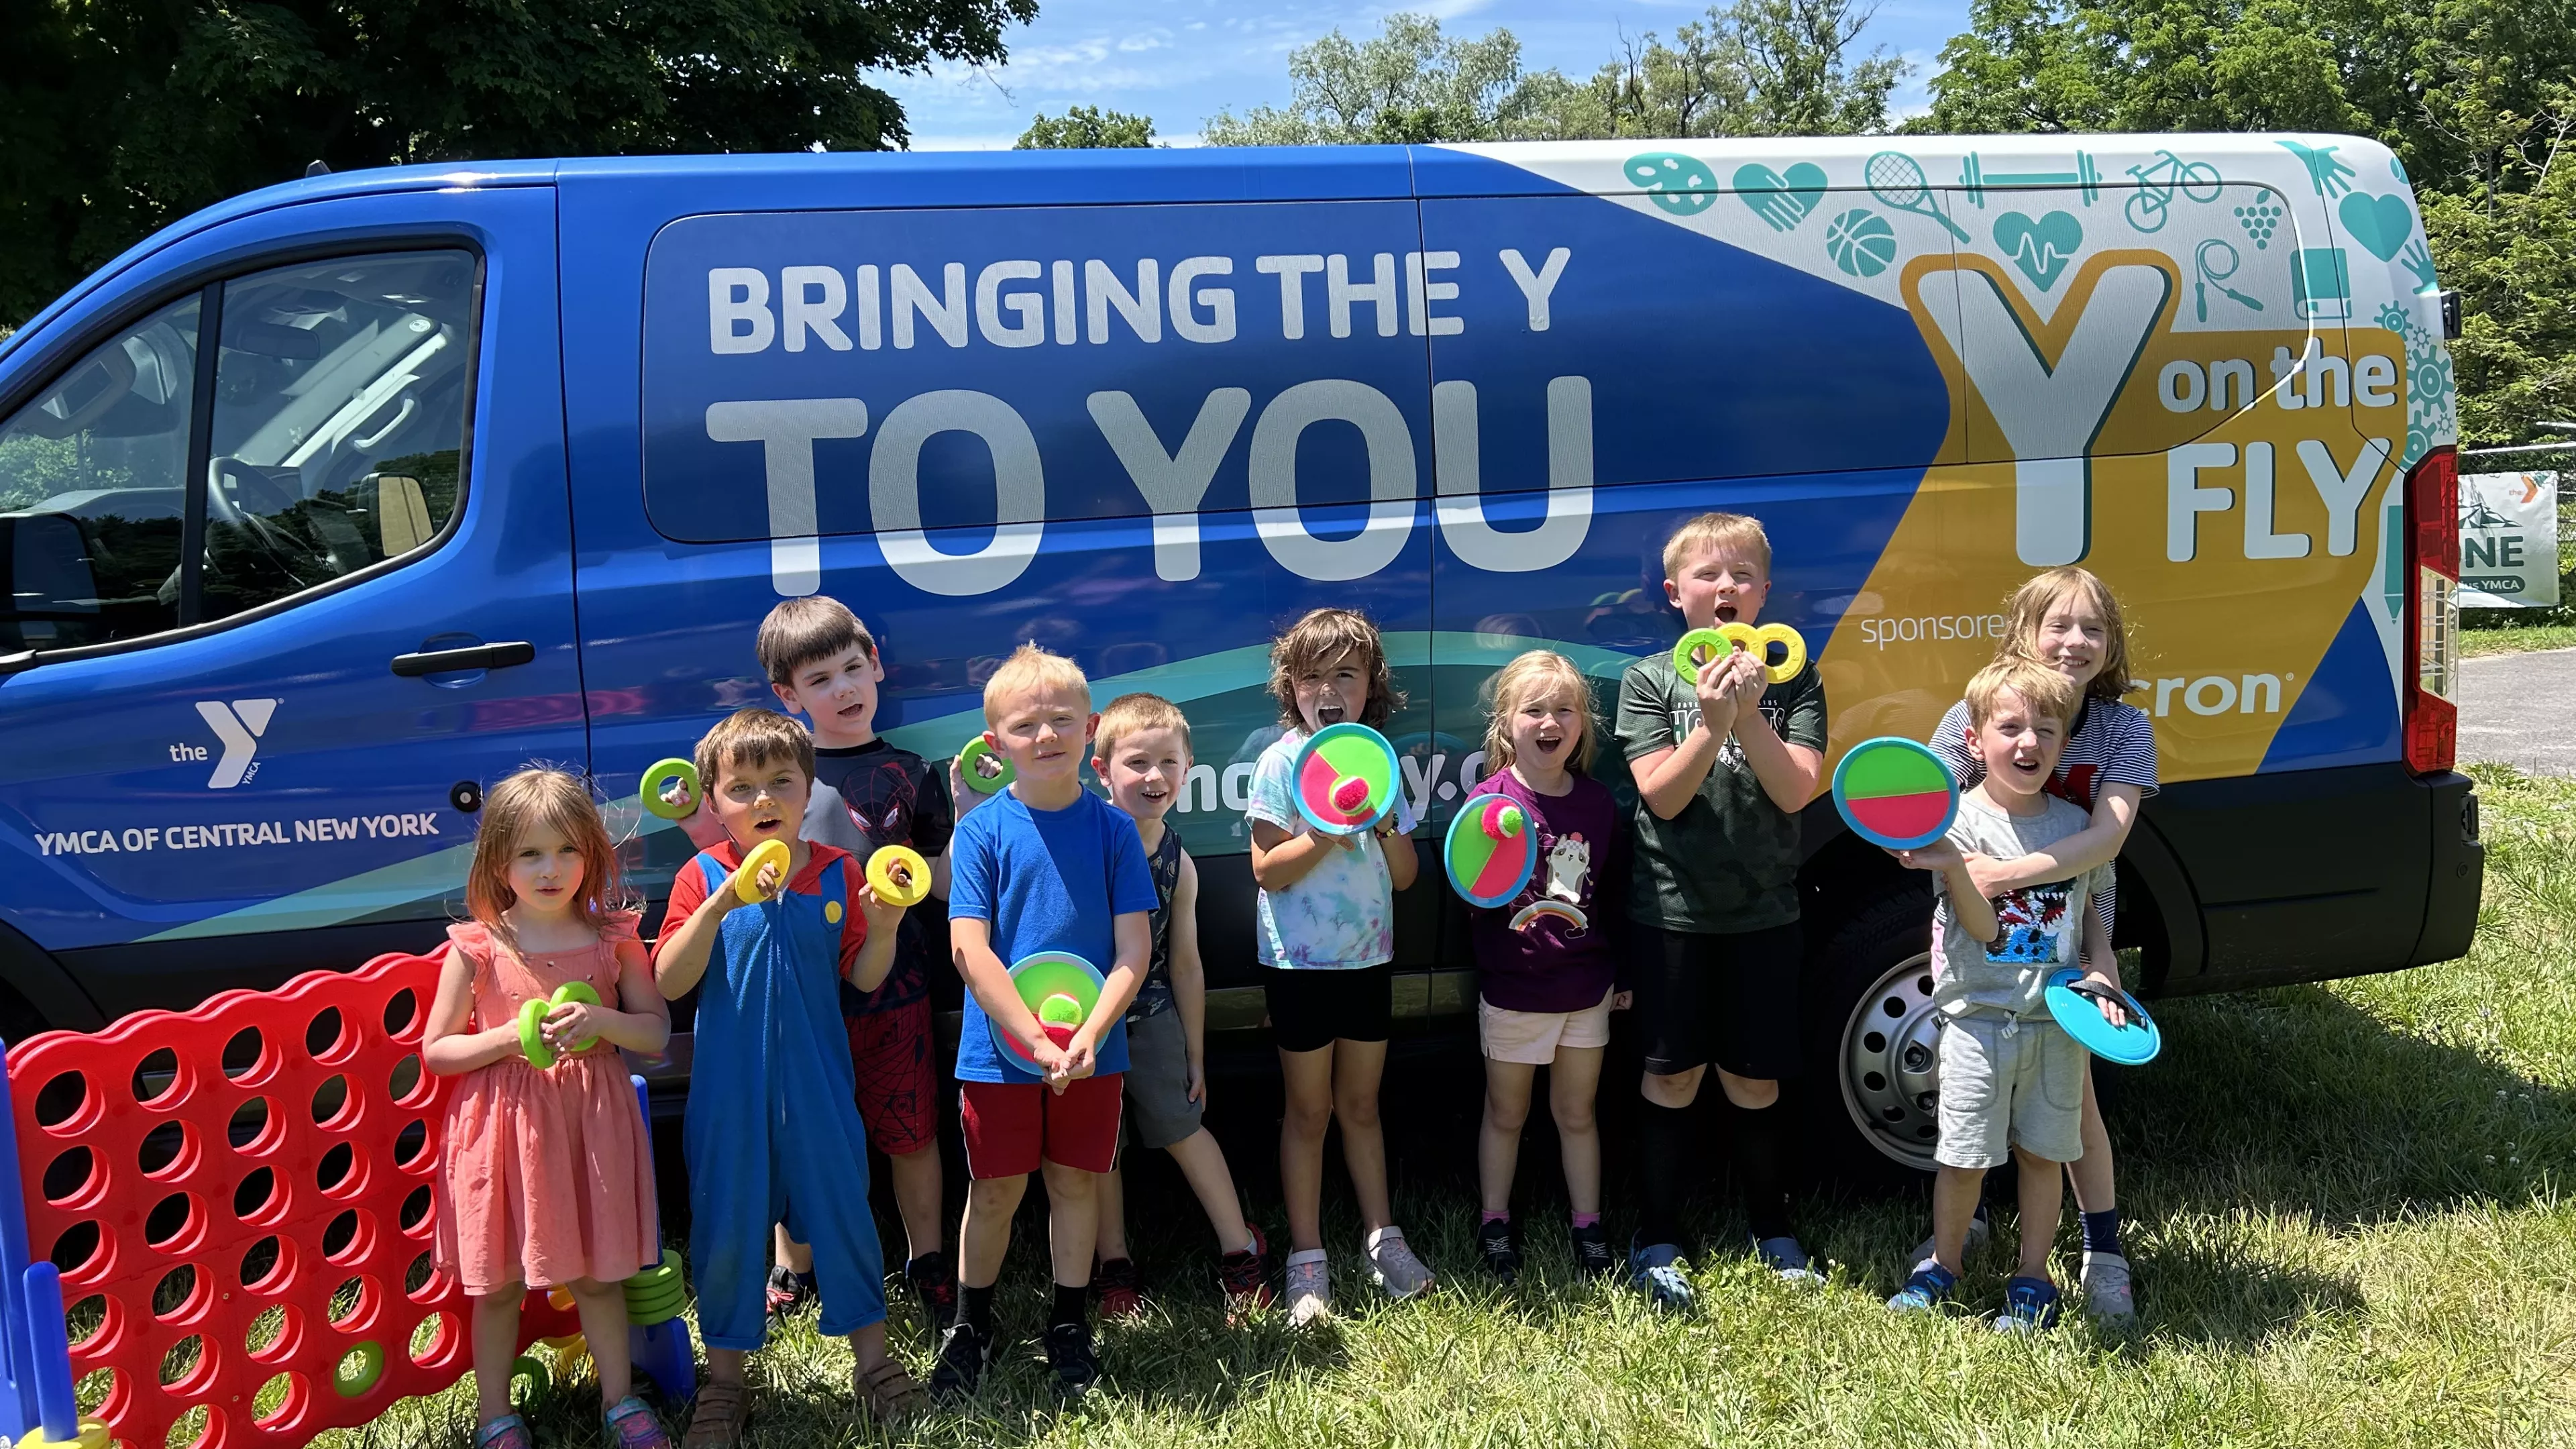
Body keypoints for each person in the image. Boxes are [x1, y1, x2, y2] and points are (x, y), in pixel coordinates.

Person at [652, 709, 925, 1440]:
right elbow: (671, 982)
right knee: (727, 1230)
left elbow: (865, 978)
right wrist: (719, 903)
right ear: (714, 802)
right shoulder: (699, 875)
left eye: (781, 783)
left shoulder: (838, 872)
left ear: (810, 793)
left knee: (843, 1216)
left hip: (820, 1093)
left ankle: (874, 1361)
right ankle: (725, 1380)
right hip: (728, 1103)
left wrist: (889, 923)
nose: (763, 800)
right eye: (742, 788)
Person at [1925, 566, 2156, 1323]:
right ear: (2021, 633)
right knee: (1988, 1078)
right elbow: (1929, 805)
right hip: (1986, 924)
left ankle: (2102, 1250)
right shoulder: (1982, 707)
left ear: (2113, 645)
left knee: (2069, 1093)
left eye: (2094, 627)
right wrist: (1946, 860)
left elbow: (2108, 837)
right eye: (2057, 624)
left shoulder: (2124, 728)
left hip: (2079, 920)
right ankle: (1966, 1229)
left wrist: (2099, 955)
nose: (2075, 641)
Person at [1615, 511, 1828, 1308]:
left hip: (1764, 913)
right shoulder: (1647, 680)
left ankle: (1771, 1226)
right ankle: (1659, 1234)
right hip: (1670, 913)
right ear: (1676, 595)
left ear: (1766, 594)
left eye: (1743, 575)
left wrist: (1750, 717)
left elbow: (1796, 789)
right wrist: (1711, 726)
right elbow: (1662, 800)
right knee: (1670, 1079)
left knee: (1754, 1078)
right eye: (1710, 575)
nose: (1727, 587)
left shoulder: (1796, 677)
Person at [423, 767, 672, 1449]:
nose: (550, 868)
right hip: (505, 1134)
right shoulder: (478, 947)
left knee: (598, 1273)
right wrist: (503, 1037)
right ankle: (494, 1415)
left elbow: (654, 1033)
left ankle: (620, 1402)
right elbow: (437, 1051)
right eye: (530, 853)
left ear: (592, 853)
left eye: (566, 850)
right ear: (498, 862)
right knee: (498, 1284)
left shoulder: (615, 938)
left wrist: (601, 1020)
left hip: (590, 1129)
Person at [934, 646, 1157, 1401]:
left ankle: (1068, 1323)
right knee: (994, 1190)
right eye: (1026, 725)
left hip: (1094, 1048)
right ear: (995, 743)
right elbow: (968, 946)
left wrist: (1092, 1031)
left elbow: (1134, 949)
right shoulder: (983, 834)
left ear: (1090, 729)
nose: (1046, 735)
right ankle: (971, 1324)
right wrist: (1030, 1039)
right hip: (998, 1053)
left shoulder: (1116, 832)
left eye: (1062, 720)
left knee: (1074, 1183)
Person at [1884, 661, 2125, 1332]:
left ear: (2063, 745)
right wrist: (1958, 867)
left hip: (2055, 1025)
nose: (2028, 743)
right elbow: (1985, 928)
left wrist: (2098, 970)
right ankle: (1946, 1264)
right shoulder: (1953, 826)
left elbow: (2087, 915)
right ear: (1974, 741)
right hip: (1977, 1025)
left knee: (2045, 1154)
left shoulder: (2079, 825)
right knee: (1962, 1159)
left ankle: (2034, 1278)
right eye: (2011, 728)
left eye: (2045, 730)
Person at [753, 596, 955, 1330]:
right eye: (819, 679)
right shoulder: (777, 782)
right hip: (804, 996)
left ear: (876, 666)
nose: (843, 690)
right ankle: (792, 1264)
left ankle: (928, 1258)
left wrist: (960, 817)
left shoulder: (913, 771)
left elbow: (941, 873)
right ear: (788, 696)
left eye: (852, 668)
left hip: (898, 990)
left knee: (911, 1131)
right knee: (799, 1132)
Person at [1245, 607, 1430, 1326]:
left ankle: (1382, 1239)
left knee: (1360, 1107)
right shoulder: (1281, 761)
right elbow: (1268, 871)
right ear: (1291, 688)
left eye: (1345, 676)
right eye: (1313, 676)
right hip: (1300, 966)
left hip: (1368, 961)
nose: (1329, 690)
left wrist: (1381, 820)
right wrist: (1324, 827)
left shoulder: (1377, 758)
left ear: (1369, 688)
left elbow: (1407, 875)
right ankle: (1307, 1257)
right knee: (1310, 1111)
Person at [1087, 692, 1276, 1321]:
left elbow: (1187, 964)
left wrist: (1196, 1052)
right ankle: (1114, 1264)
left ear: (1189, 768)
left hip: (1154, 1021)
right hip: (1084, 1027)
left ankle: (1241, 1248)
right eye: (1137, 762)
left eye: (1169, 762)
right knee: (1099, 1149)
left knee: (1184, 1130)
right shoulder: (1082, 842)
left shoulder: (1178, 864)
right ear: (1101, 770)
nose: (1154, 777)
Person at [1463, 651, 1631, 1283]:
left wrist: (1625, 975)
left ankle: (1588, 1224)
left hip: (1586, 990)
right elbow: (1470, 893)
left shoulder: (1595, 804)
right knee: (1506, 1114)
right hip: (1515, 992)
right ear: (1506, 723)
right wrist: (1491, 842)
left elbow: (1610, 895)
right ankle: (1495, 1220)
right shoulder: (1489, 801)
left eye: (1564, 709)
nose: (1549, 721)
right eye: (1533, 709)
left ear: (1583, 724)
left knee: (1577, 1113)